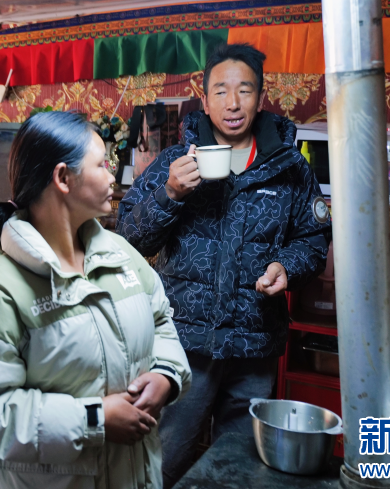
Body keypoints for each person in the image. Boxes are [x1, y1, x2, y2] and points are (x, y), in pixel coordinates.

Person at [116, 43, 332, 487]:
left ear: (260, 95)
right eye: (221, 91)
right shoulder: (175, 161)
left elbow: (313, 240)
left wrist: (287, 267)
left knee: (241, 467)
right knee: (162, 460)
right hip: (183, 345)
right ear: (205, 96)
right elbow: (128, 239)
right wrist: (170, 194)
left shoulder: (290, 167)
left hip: (254, 346)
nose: (233, 103)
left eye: (244, 90)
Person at [0, 111, 192, 489]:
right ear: (63, 178)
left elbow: (161, 322)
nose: (111, 176)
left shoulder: (122, 256)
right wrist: (94, 420)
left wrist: (166, 376)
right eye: (101, 165)